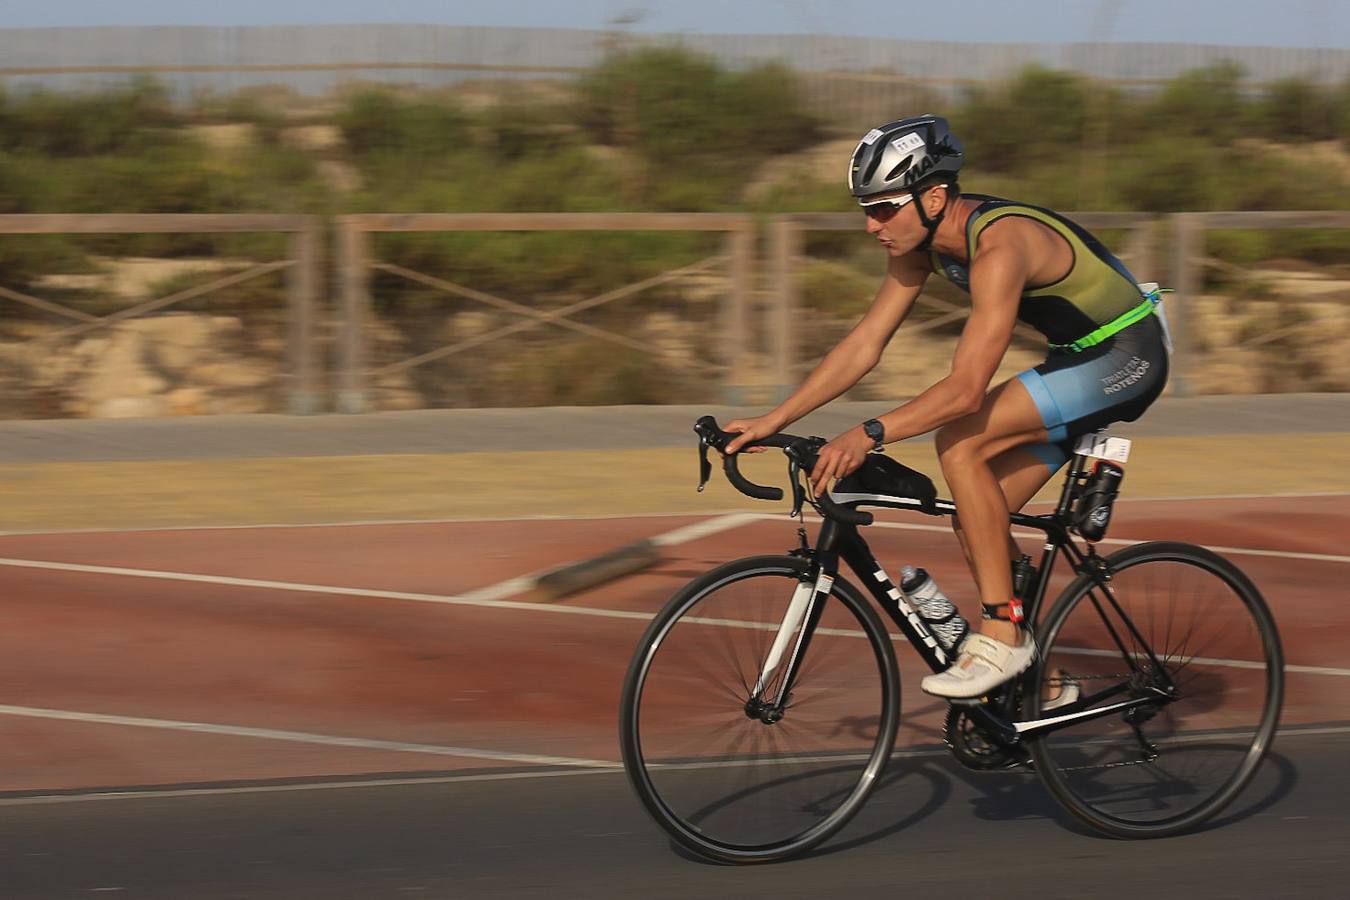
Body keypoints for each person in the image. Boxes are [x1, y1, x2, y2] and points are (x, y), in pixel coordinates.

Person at [725, 114, 1169, 699]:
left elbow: (964, 391)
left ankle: (1000, 637)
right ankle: (1047, 682)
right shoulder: (924, 243)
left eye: (884, 208)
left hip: (1127, 353)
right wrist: (774, 418)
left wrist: (868, 433)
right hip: (1075, 357)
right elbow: (865, 345)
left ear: (934, 196)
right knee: (977, 513)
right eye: (865, 209)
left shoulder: (1000, 246)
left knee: (960, 441)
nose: (870, 225)